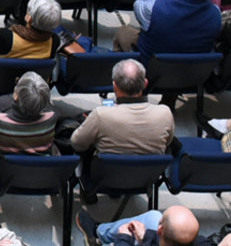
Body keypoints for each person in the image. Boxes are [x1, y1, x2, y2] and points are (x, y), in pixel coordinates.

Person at [69, 60, 177, 190]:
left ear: (114, 86)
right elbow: (167, 142)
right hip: (146, 178)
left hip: (105, 179)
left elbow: (77, 144)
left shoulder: (101, 115)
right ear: (145, 83)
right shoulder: (165, 113)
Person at [117, 0, 220, 56]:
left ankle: (126, 75)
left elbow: (139, 3)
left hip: (150, 68)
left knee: (122, 31)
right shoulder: (216, 14)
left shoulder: (153, 8)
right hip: (192, 72)